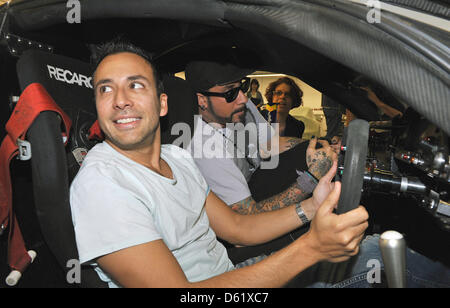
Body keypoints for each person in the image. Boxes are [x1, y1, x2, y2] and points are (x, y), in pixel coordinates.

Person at [70, 41, 450, 288]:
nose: (119, 99)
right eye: (106, 88)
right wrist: (311, 248)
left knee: (375, 252)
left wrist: (312, 206)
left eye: (135, 85)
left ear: (163, 103)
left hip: (234, 278)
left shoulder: (175, 157)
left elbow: (237, 227)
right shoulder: (103, 184)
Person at [186, 62, 334, 214]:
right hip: (251, 212)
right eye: (230, 92)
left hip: (263, 180)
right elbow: (248, 215)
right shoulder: (202, 146)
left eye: (243, 86)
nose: (243, 98)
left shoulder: (242, 106)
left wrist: (320, 145)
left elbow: (270, 144)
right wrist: (310, 180)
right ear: (202, 100)